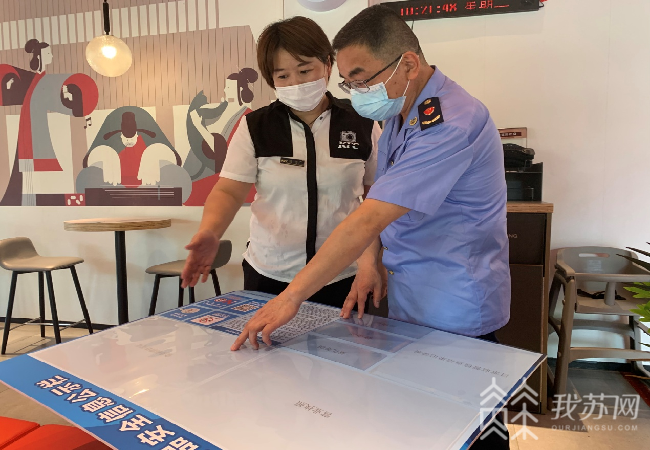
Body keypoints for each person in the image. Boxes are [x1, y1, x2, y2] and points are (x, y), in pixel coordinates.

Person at [230, 6, 511, 448]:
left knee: (469, 422)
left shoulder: (449, 122)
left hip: (454, 294)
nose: (356, 92)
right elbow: (380, 196)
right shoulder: (402, 112)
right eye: (349, 82)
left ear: (408, 64)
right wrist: (372, 260)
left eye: (361, 79)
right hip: (413, 287)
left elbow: (370, 215)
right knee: (427, 419)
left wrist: (292, 297)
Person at [181, 17, 383, 308]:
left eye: (304, 70)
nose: (296, 83)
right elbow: (229, 190)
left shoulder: (361, 122)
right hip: (270, 274)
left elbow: (376, 200)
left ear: (327, 65)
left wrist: (371, 261)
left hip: (342, 274)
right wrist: (211, 231)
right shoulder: (256, 127)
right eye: (283, 76)